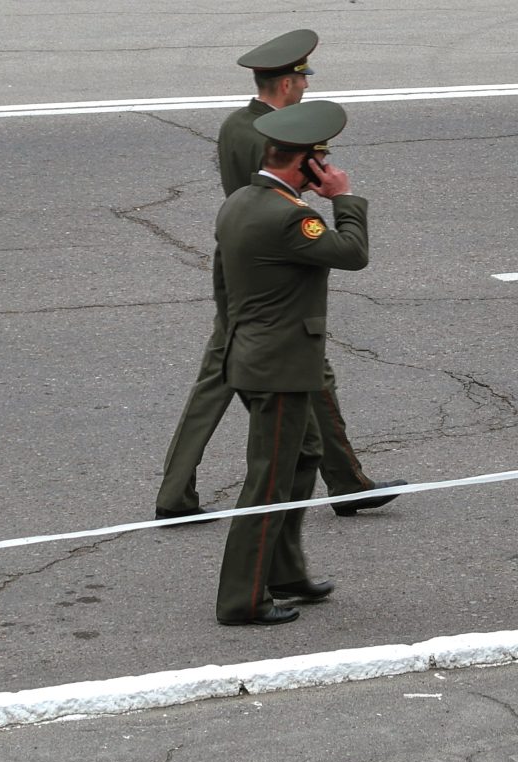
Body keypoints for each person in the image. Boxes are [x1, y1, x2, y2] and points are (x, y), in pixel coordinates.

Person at [155, 29, 405, 522]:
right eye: (303, 80)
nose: (307, 88)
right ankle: (347, 484)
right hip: (271, 270)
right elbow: (278, 197)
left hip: (238, 261)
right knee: (308, 374)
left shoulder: (236, 123)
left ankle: (177, 492)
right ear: (288, 84)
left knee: (219, 377)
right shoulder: (275, 136)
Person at [213, 101, 370, 625]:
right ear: (302, 163)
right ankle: (242, 598)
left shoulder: (240, 201)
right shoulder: (290, 215)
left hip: (259, 359)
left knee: (304, 459)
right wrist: (343, 197)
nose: (324, 171)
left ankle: (284, 571)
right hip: (278, 368)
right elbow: (351, 252)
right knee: (268, 483)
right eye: (319, 162)